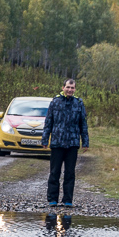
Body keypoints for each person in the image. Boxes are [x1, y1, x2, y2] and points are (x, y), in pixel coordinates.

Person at [41, 78, 89, 207]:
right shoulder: (55, 102)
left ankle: (67, 200)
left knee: (69, 173)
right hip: (57, 142)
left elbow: (83, 123)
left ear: (74, 89)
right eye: (68, 87)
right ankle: (52, 199)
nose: (70, 90)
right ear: (63, 88)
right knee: (54, 172)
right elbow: (48, 122)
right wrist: (45, 139)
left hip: (72, 143)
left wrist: (85, 141)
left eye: (72, 88)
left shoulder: (79, 103)